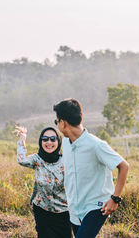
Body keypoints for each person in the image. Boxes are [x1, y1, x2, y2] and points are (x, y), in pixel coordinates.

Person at [53, 98, 129, 238]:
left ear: (63, 123)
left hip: (96, 206)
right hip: (75, 207)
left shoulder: (95, 145)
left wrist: (115, 199)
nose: (57, 125)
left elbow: (123, 166)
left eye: (56, 121)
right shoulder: (65, 143)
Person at [15, 125, 72, 238]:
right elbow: (21, 160)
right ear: (41, 141)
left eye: (52, 139)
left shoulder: (66, 160)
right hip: (42, 211)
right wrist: (22, 139)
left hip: (63, 213)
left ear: (58, 141)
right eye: (45, 139)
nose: (49, 142)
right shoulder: (37, 159)